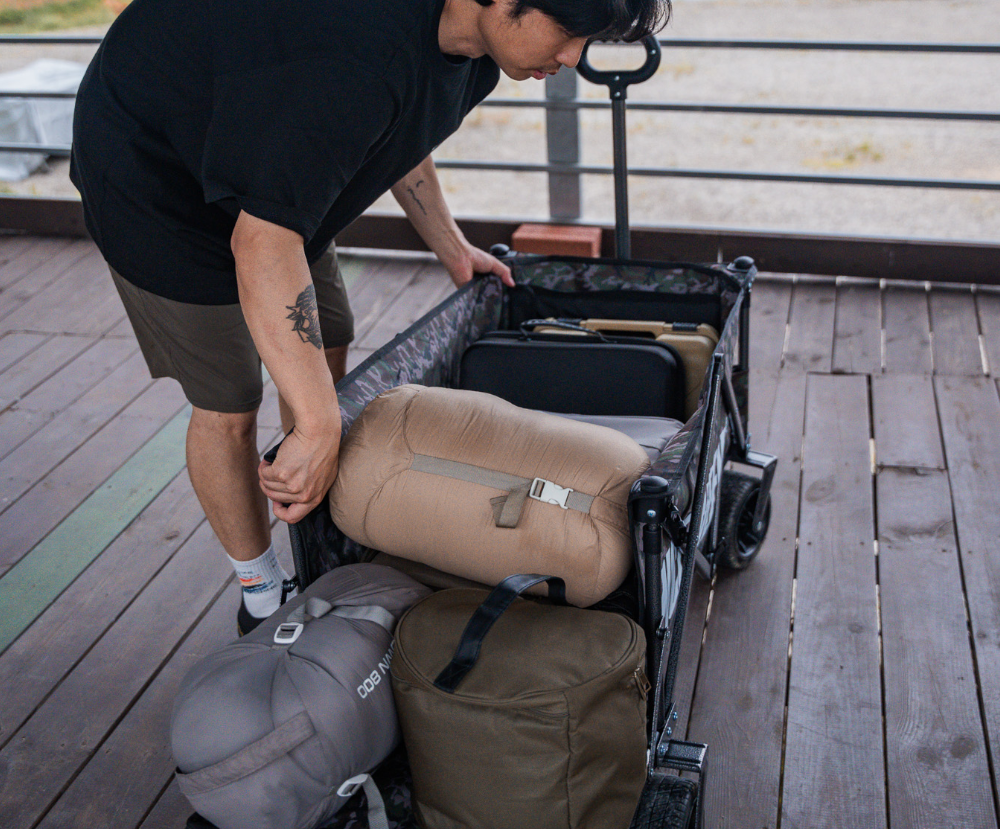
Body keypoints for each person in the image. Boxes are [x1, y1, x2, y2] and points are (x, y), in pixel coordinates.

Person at [71, 0, 670, 635]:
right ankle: (261, 593)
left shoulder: (473, 54)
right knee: (230, 403)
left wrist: (452, 246)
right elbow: (264, 242)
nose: (575, 57)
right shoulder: (354, 57)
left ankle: (312, 525)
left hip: (266, 145)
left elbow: (397, 128)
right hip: (155, 180)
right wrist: (318, 427)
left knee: (328, 338)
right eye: (569, 32)